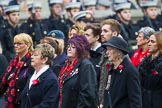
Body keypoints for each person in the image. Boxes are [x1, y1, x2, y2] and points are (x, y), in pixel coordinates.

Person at [58, 35, 98, 108]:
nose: (69, 49)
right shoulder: (66, 64)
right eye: (68, 46)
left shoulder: (86, 65)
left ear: (80, 49)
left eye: (73, 47)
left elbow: (87, 94)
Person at [102, 36, 142, 108]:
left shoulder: (130, 70)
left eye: (109, 49)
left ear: (119, 52)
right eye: (106, 50)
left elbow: (135, 99)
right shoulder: (111, 68)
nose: (107, 53)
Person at [0, 33, 34, 108]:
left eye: (19, 43)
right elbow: (3, 80)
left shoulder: (32, 62)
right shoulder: (13, 62)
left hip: (22, 102)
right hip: (8, 100)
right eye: (15, 43)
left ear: (28, 45)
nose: (16, 46)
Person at [21, 43, 59, 108]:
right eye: (32, 54)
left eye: (35, 55)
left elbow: (48, 104)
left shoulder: (51, 79)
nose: (31, 57)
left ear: (45, 59)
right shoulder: (32, 75)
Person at [99, 19, 122, 107]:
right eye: (101, 31)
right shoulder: (105, 51)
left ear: (114, 34)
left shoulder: (120, 54)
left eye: (105, 31)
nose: (101, 34)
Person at [139, 31, 162, 108]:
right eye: (148, 41)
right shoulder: (144, 63)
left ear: (160, 44)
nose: (149, 44)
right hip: (143, 101)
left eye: (152, 42)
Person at [84, 23, 104, 87]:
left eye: (87, 35)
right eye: (84, 34)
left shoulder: (103, 54)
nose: (84, 37)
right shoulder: (85, 52)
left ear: (97, 37)